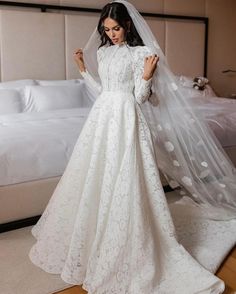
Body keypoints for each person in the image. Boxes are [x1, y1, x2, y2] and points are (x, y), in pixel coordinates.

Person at [29, 1, 235, 293]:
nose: (112, 34)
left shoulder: (142, 53)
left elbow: (139, 98)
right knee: (95, 173)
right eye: (107, 29)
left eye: (116, 28)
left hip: (128, 118)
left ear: (127, 25)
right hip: (101, 118)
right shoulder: (103, 52)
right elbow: (103, 91)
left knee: (126, 174)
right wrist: (83, 70)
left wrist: (148, 75)